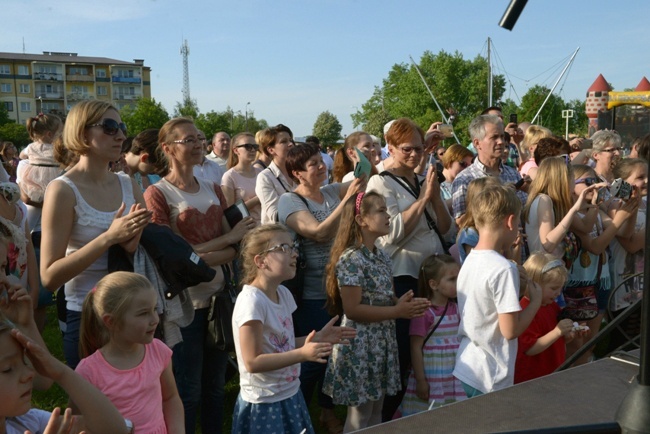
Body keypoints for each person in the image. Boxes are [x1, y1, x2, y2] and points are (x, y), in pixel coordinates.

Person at [144, 117, 254, 434]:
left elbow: (233, 249)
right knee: (188, 389)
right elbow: (171, 260)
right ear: (168, 148)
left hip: (220, 297)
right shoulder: (157, 194)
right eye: (188, 139)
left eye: (199, 138)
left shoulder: (214, 189)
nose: (198, 144)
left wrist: (204, 252)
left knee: (216, 386)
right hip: (186, 304)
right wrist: (226, 242)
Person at [40, 100, 150, 369]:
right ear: (82, 133)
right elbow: (49, 277)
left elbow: (137, 251)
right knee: (95, 410)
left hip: (134, 313)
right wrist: (109, 237)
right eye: (110, 127)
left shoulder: (128, 184)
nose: (122, 136)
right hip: (89, 317)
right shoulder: (63, 190)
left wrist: (131, 241)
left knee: (139, 405)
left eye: (121, 127)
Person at [232, 224, 356, 434]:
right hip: (265, 401)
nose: (295, 254)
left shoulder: (284, 295)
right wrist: (302, 354)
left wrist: (317, 339)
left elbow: (282, 344)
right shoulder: (252, 302)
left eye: (293, 247)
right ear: (260, 261)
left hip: (289, 393)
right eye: (284, 248)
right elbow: (252, 362)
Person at [366, 117, 451, 420]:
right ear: (389, 147)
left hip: (434, 274)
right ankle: (392, 414)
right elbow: (391, 233)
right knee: (406, 348)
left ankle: (425, 404)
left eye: (419, 148)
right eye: (407, 150)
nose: (415, 155)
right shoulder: (380, 182)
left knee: (431, 344)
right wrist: (424, 198)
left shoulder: (421, 178)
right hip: (404, 276)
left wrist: (435, 197)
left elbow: (445, 228)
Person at [323, 192, 429, 432]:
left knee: (376, 410)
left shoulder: (381, 255)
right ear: (361, 220)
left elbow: (385, 296)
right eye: (381, 210)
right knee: (360, 415)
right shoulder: (352, 259)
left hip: (381, 341)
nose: (388, 214)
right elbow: (353, 309)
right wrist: (397, 312)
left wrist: (401, 303)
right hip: (360, 343)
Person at [278, 142, 365, 433]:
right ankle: (295, 416)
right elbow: (317, 233)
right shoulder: (290, 201)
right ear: (297, 173)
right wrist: (348, 199)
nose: (321, 166)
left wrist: (361, 159)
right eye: (313, 164)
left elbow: (366, 178)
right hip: (311, 293)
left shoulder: (330, 191)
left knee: (335, 357)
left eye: (320, 160)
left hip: (340, 289)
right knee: (313, 358)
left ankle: (326, 413)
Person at [453, 184, 542, 396]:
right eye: (519, 222)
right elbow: (510, 331)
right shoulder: (503, 269)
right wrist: (536, 301)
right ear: (510, 221)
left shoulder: (470, 259)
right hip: (489, 374)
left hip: (469, 364)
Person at [72, 272, 183, 434]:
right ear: (111, 321)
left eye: (154, 309)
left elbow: (171, 397)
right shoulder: (89, 372)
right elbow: (77, 420)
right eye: (143, 313)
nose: (155, 319)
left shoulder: (158, 351)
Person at [1, 296, 130, 434]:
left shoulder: (26, 421)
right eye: (8, 369)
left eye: (24, 361)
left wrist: (62, 373)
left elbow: (116, 429)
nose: (30, 373)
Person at [564, 165, 638, 365]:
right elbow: (595, 247)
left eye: (595, 181)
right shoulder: (572, 214)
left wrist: (631, 208)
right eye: (588, 182)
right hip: (579, 283)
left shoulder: (596, 210)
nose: (594, 186)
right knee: (576, 343)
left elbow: (624, 232)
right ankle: (574, 381)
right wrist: (619, 219)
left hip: (601, 281)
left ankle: (586, 374)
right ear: (571, 186)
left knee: (591, 340)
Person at [398, 254, 466, 417]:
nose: (458, 283)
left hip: (453, 373)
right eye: (452, 279)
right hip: (432, 374)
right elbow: (415, 347)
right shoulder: (424, 312)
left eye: (459, 278)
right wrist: (421, 380)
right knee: (430, 413)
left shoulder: (456, 308)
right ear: (434, 284)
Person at [522, 157, 601, 265]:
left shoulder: (554, 202)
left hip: (553, 271)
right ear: (563, 179)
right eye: (572, 177)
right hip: (544, 273)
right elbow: (548, 245)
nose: (574, 181)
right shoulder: (544, 200)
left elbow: (586, 227)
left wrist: (595, 202)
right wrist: (573, 210)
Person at [514, 253, 580, 384]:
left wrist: (567, 336)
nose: (558, 293)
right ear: (535, 285)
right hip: (533, 378)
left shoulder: (551, 305)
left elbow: (551, 338)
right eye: (554, 288)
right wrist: (557, 332)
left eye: (560, 288)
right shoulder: (526, 311)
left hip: (552, 372)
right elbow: (529, 349)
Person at [451, 114, 526, 224]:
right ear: (477, 143)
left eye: (502, 136)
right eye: (494, 137)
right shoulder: (465, 179)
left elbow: (525, 212)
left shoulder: (513, 174)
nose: (501, 142)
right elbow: (461, 223)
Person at [607, 158, 646, 351]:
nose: (646, 181)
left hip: (642, 285)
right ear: (622, 182)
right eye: (640, 177)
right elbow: (630, 243)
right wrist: (633, 206)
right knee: (625, 344)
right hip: (624, 286)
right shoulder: (615, 205)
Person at [456, 177, 503, 264]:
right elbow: (479, 266)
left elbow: (511, 261)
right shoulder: (470, 234)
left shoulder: (496, 227)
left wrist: (515, 246)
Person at [255, 124, 297, 224]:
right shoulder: (265, 177)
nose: (290, 144)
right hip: (279, 236)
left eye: (290, 140)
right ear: (271, 150)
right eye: (284, 141)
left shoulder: (300, 171)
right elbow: (275, 215)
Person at [221, 132, 262, 223]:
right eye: (248, 146)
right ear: (236, 150)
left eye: (255, 147)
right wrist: (258, 198)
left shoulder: (261, 173)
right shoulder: (229, 176)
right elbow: (231, 212)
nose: (252, 150)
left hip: (267, 224)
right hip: (247, 227)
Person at [122, 129, 162, 193]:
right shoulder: (116, 171)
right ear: (144, 158)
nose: (155, 170)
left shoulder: (137, 175)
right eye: (155, 166)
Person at [439, 144, 474, 213]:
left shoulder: (468, 181)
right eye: (463, 164)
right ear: (450, 161)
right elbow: (437, 210)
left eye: (470, 166)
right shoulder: (437, 185)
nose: (467, 169)